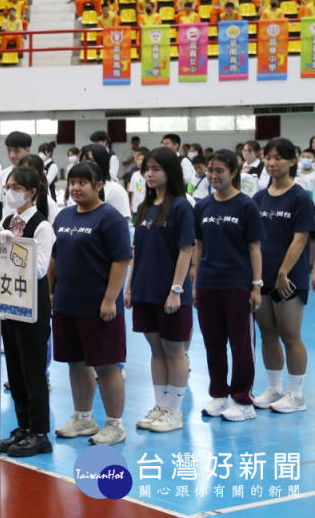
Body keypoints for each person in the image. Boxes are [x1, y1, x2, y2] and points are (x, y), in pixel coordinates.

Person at [50, 161, 132, 445]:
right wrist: (51, 292)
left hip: (99, 307)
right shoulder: (63, 217)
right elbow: (55, 257)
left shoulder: (110, 218)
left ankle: (115, 424)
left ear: (99, 185)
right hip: (67, 304)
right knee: (76, 363)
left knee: (107, 366)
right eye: (72, 182)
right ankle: (83, 418)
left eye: (83, 182)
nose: (75, 188)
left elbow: (121, 260)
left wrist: (110, 299)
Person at [126, 148, 195, 433]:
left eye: (156, 169)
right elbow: (137, 251)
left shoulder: (181, 206)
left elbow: (185, 249)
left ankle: (174, 411)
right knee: (156, 350)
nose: (150, 174)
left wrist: (176, 290)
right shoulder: (143, 208)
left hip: (170, 292)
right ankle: (160, 405)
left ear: (170, 172)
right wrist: (129, 286)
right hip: (145, 289)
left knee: (174, 349)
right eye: (147, 169)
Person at [193, 149, 265, 421]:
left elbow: (255, 247)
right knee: (213, 343)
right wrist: (197, 283)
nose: (213, 176)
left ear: (234, 173)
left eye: (220, 171)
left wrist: (256, 286)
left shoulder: (247, 206)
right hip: (209, 283)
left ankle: (243, 400)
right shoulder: (203, 206)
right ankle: (219, 396)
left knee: (241, 344)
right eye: (210, 170)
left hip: (237, 284)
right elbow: (198, 247)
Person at [0, 166, 55, 456]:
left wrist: (12, 246)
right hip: (9, 303)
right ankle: (23, 426)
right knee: (15, 370)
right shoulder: (7, 220)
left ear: (32, 192)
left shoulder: (41, 226)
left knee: (33, 371)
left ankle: (40, 432)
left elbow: (39, 268)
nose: (11, 192)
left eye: (17, 188)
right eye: (8, 187)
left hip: (32, 307)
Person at [251, 139, 313, 414]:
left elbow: (300, 239)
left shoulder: (300, 198)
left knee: (290, 335)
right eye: (268, 158)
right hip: (261, 278)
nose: (272, 163)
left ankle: (296, 395)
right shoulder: (259, 198)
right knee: (267, 333)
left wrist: (283, 271)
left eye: (278, 158)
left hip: (289, 278)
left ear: (291, 162)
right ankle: (274, 388)